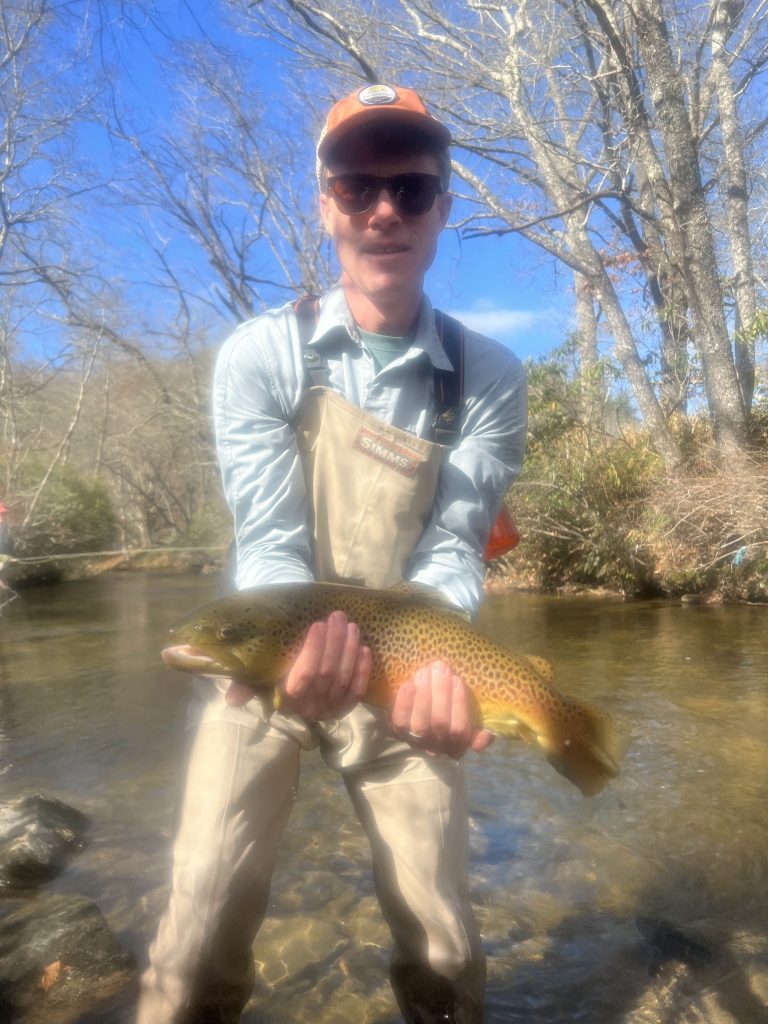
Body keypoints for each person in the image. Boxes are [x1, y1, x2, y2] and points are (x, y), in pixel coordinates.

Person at [137, 83, 527, 1024]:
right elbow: (269, 540)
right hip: (269, 654)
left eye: (413, 187)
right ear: (325, 207)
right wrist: (295, 651)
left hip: (406, 662)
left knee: (444, 946)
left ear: (443, 207)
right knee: (194, 932)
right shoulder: (260, 354)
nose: (385, 210)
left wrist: (439, 668)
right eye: (358, 187)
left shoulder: (489, 375)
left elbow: (454, 550)